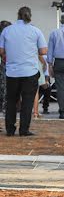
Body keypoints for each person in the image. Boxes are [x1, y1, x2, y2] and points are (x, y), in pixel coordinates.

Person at [0, 7, 47, 136]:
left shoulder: (7, 31)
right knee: (27, 101)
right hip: (29, 71)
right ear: (29, 16)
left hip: (12, 72)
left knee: (11, 101)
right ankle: (24, 129)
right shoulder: (35, 31)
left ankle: (10, 129)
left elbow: (1, 51)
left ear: (18, 15)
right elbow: (43, 51)